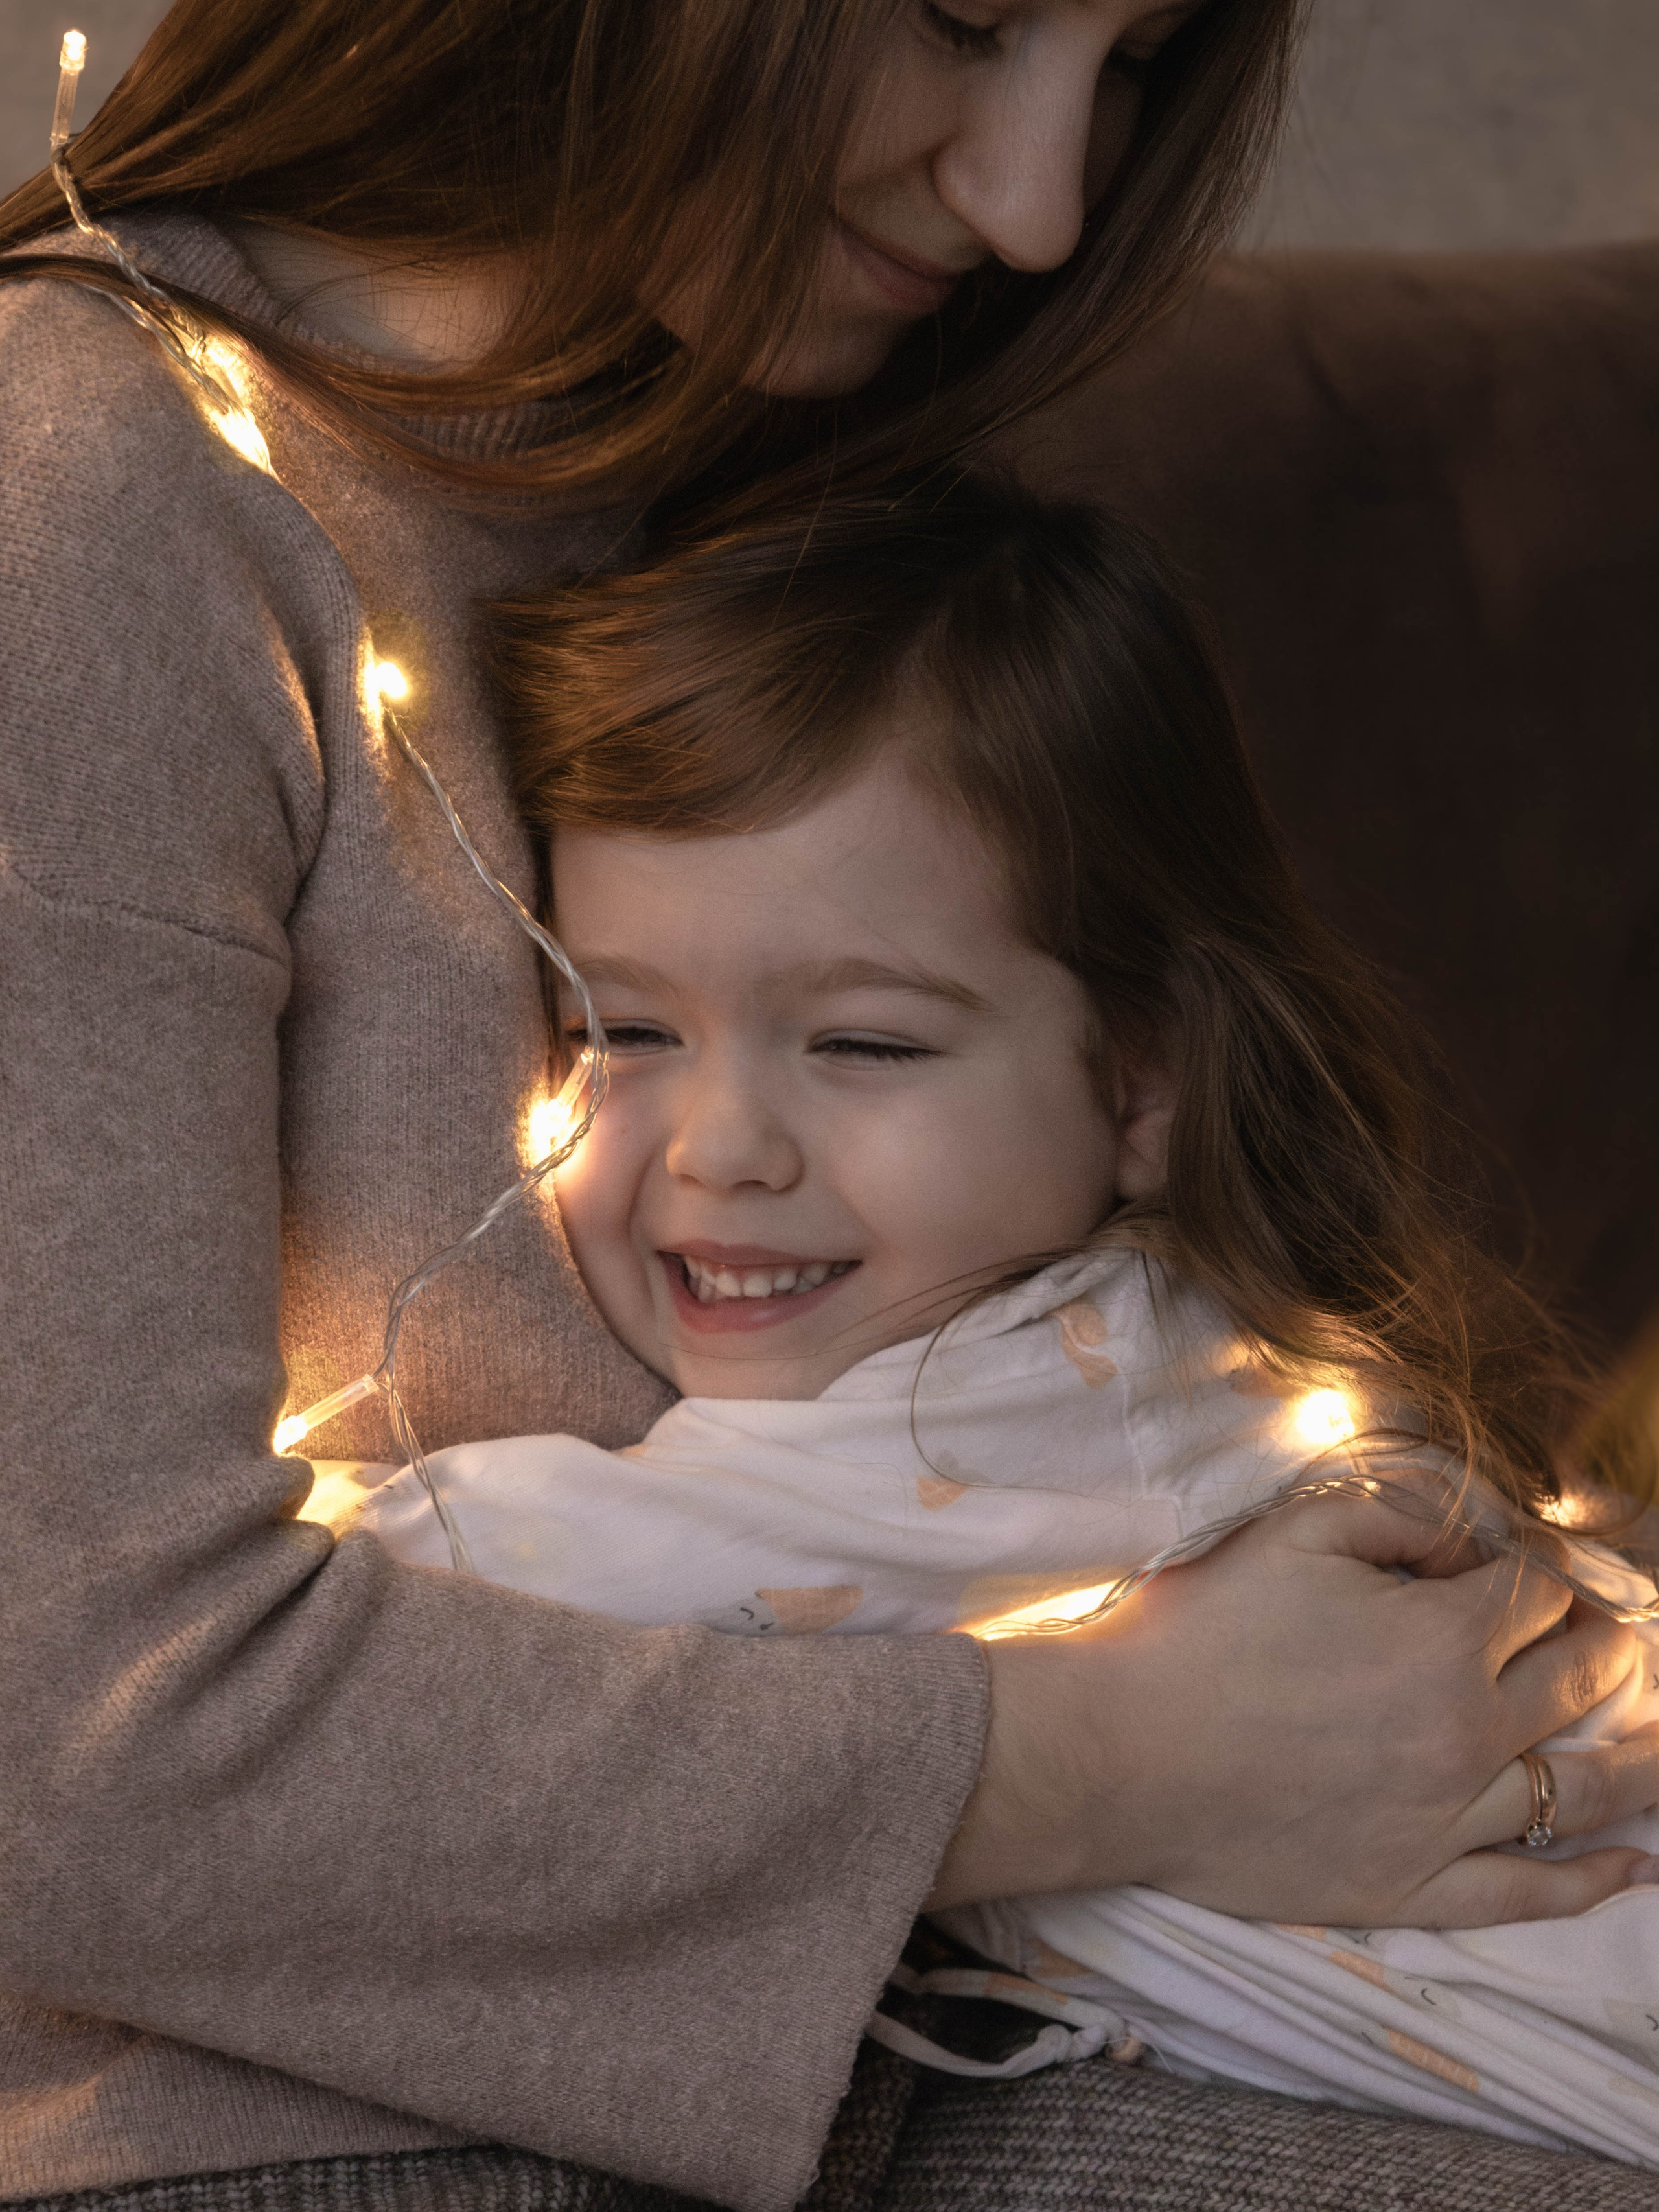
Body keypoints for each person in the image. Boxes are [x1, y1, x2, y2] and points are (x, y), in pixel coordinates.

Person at [0, 2, 1652, 2207]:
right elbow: (67, 1745)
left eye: (1136, 59)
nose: (1038, 200)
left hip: (960, 2022)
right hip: (307, 2117)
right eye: (964, 18)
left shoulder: (753, 498)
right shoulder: (106, 502)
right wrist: (1123, 1753)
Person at [331, 476, 1659, 2165]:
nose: (722, 1150)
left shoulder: (1023, 1406)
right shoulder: (1159, 1348)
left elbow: (368, 1651)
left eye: (867, 1045)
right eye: (621, 1029)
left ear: (1141, 1085)